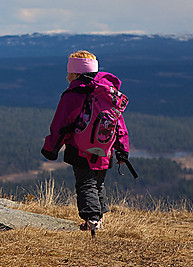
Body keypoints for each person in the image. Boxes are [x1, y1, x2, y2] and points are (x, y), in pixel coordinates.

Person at [41, 50, 130, 234]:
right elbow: (119, 124)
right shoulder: (107, 95)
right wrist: (122, 149)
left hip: (80, 149)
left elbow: (61, 124)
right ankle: (98, 219)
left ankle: (92, 220)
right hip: (105, 150)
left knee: (85, 184)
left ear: (74, 73)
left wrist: (51, 148)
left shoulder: (73, 94)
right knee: (98, 183)